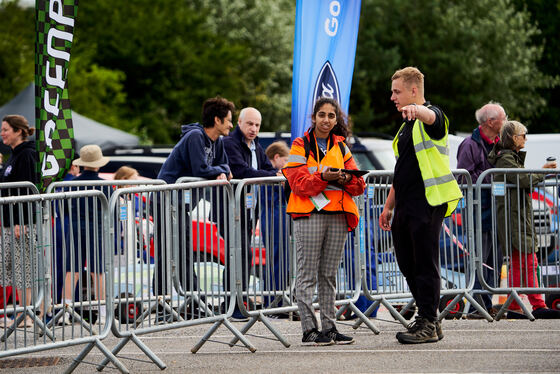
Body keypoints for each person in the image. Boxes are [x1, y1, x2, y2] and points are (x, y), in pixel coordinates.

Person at [379, 67, 463, 344]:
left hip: (428, 200)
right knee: (406, 261)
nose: (392, 97)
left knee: (425, 262)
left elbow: (433, 116)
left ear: (413, 91)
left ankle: (427, 321)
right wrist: (389, 206)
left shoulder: (431, 116)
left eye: (397, 91)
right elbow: (401, 169)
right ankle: (430, 317)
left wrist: (419, 110)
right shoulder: (405, 126)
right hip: (405, 202)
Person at [283, 97, 365, 346]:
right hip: (310, 214)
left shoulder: (341, 146)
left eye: (331, 116)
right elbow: (297, 182)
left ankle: (329, 328)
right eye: (322, 115)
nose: (327, 120)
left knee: (329, 275)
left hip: (338, 215)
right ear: (314, 117)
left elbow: (359, 185)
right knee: (307, 275)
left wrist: (342, 179)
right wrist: (323, 176)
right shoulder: (300, 145)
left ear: (336, 119)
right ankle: (309, 330)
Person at [153, 96, 234, 322]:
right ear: (217, 120)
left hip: (182, 205)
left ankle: (193, 300)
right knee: (166, 253)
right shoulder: (195, 137)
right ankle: (162, 306)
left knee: (185, 251)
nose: (231, 125)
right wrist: (217, 170)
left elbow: (225, 166)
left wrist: (218, 170)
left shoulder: (216, 141)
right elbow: (201, 167)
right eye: (228, 120)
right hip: (165, 200)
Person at [487, 120, 560, 319]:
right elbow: (522, 179)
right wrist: (543, 171)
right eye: (523, 134)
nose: (525, 138)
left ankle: (513, 306)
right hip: (514, 219)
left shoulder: (510, 157)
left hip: (517, 218)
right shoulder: (506, 159)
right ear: (513, 138)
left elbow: (522, 178)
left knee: (523, 263)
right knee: (529, 262)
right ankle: (537, 305)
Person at [223, 107, 279, 320]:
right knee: (238, 253)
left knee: (242, 254)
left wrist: (273, 173)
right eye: (250, 124)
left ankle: (238, 301)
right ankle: (234, 302)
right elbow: (242, 172)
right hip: (231, 208)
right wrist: (272, 174)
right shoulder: (230, 143)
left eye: (257, 125)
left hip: (248, 208)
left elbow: (266, 167)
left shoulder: (256, 146)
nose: (253, 129)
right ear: (239, 122)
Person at [457, 102, 507, 318]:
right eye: (503, 118)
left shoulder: (500, 143)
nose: (506, 122)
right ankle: (478, 306)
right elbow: (463, 177)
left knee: (495, 260)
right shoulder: (469, 144)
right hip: (479, 211)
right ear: (491, 122)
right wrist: (489, 177)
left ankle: (487, 304)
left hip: (496, 210)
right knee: (480, 259)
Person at [61, 144, 111, 325]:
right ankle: (103, 313)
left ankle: (65, 311)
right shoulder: (106, 185)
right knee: (97, 272)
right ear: (98, 164)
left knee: (71, 270)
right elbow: (110, 210)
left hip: (74, 229)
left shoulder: (70, 185)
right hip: (96, 229)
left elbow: (64, 209)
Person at [0, 115, 39, 328]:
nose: (2, 133)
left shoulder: (27, 155)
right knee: (9, 268)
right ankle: (17, 312)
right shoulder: (13, 155)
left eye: (5, 129)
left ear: (18, 131)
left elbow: (27, 190)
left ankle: (26, 314)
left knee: (23, 268)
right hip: (8, 222)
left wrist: (20, 221)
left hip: (19, 222)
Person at [260, 141, 290, 309]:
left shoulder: (271, 175)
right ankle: (274, 301)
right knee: (277, 259)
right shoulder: (271, 176)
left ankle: (274, 299)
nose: (287, 165)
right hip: (274, 217)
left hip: (274, 217)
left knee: (278, 259)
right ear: (277, 157)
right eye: (285, 160)